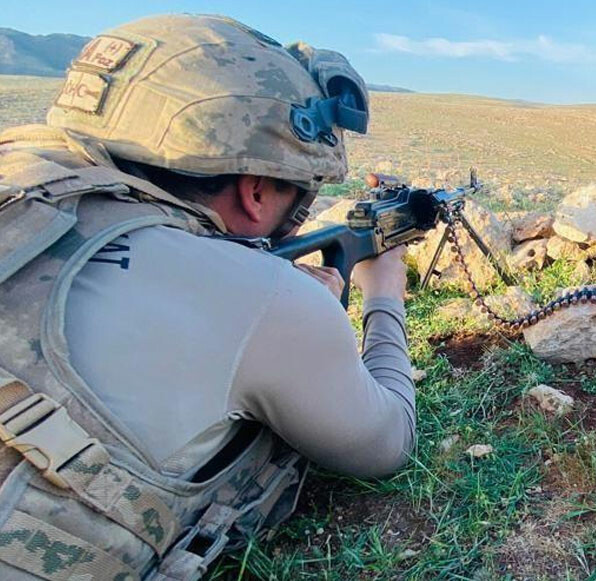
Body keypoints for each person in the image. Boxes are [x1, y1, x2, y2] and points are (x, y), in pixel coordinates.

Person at [0, 14, 415, 580]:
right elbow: (386, 445)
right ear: (257, 190)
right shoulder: (264, 298)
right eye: (299, 198)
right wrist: (382, 292)